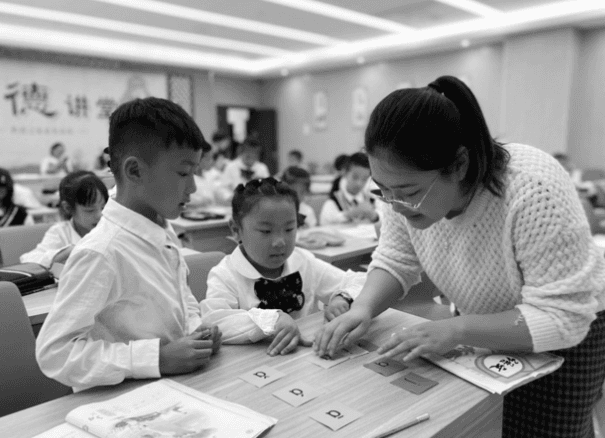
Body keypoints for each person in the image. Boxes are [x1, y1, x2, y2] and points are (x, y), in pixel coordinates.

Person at [313, 76, 605, 438]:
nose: (394, 205)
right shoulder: (400, 195)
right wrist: (363, 307)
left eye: (407, 192)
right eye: (382, 189)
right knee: (485, 425)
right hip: (481, 324)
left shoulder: (532, 189)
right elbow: (395, 258)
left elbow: (563, 318)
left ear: (460, 164)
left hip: (567, 332)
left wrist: (456, 329)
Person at [36, 97, 222, 391]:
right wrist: (155, 358)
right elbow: (55, 354)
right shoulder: (102, 252)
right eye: (184, 173)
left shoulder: (161, 228)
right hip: (120, 402)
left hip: (171, 387)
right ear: (134, 171)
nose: (193, 188)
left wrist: (197, 330)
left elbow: (180, 297)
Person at [200, 177, 365, 355]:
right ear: (235, 229)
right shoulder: (225, 274)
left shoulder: (303, 261)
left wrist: (342, 297)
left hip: (301, 358)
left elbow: (360, 280)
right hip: (254, 362)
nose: (280, 242)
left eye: (289, 229)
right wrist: (273, 320)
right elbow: (214, 320)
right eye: (266, 231)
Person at [20, 171, 109, 268]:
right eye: (90, 210)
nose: (99, 215)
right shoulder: (60, 232)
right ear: (68, 208)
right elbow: (28, 259)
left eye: (103, 207)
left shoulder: (111, 227)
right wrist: (67, 253)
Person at [319, 152, 378, 225]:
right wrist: (349, 214)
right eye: (355, 177)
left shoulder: (372, 201)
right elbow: (324, 225)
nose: (359, 183)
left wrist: (374, 216)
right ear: (345, 173)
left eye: (364, 179)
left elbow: (384, 221)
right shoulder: (333, 202)